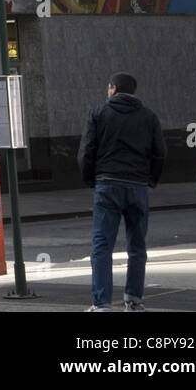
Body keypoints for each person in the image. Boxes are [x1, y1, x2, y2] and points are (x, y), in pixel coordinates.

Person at [78, 71, 165, 312]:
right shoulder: (149, 117)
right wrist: (151, 180)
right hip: (137, 187)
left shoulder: (99, 113)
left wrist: (89, 178)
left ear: (114, 89)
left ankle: (102, 303)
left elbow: (87, 150)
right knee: (137, 246)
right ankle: (134, 300)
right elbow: (160, 152)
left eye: (108, 87)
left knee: (102, 246)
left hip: (107, 184)